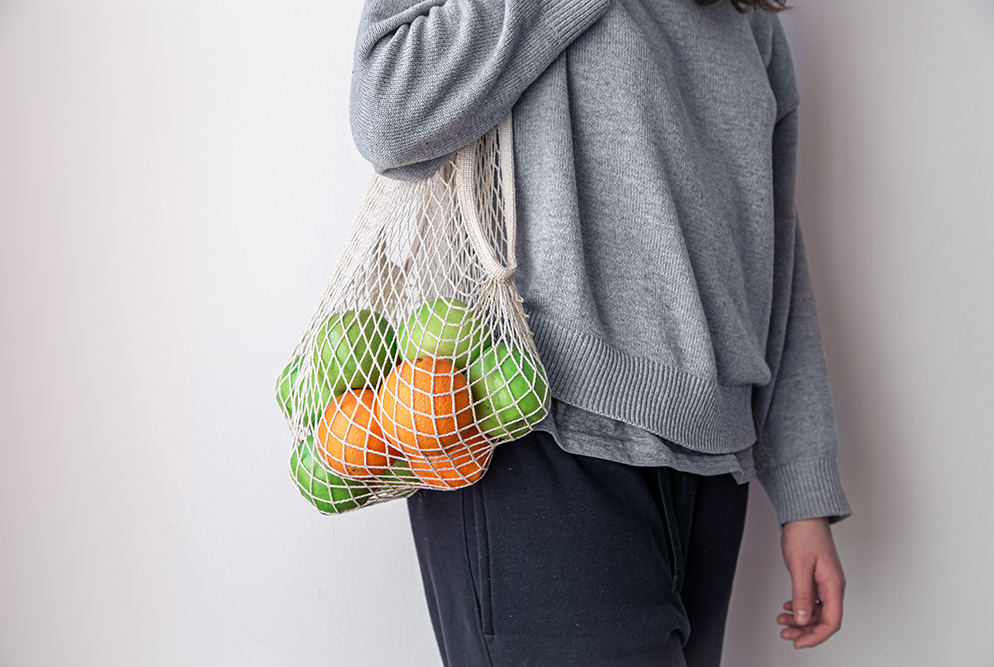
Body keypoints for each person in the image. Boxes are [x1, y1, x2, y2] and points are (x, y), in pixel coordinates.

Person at [348, 0, 851, 664]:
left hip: (709, 469)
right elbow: (389, 112)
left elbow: (773, 253)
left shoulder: (748, 16)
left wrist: (803, 486)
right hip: (535, 435)